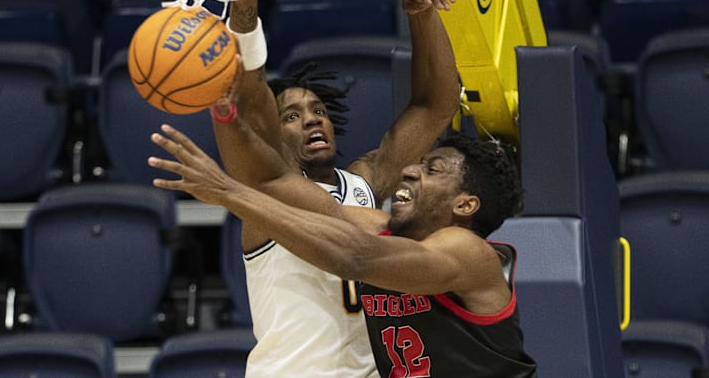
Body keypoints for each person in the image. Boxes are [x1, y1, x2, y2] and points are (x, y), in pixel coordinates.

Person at [210, 0, 461, 376]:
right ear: (271, 132)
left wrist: (422, 16)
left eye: (319, 111)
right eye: (291, 116)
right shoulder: (267, 194)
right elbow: (249, 94)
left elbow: (435, 106)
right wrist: (244, 9)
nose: (312, 120)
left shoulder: (365, 181)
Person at [147, 121, 538, 377]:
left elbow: (353, 257)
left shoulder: (466, 251)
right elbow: (276, 183)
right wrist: (228, 107)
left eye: (432, 170)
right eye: (419, 164)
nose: (409, 170)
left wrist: (230, 193)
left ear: (465, 205)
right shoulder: (385, 231)